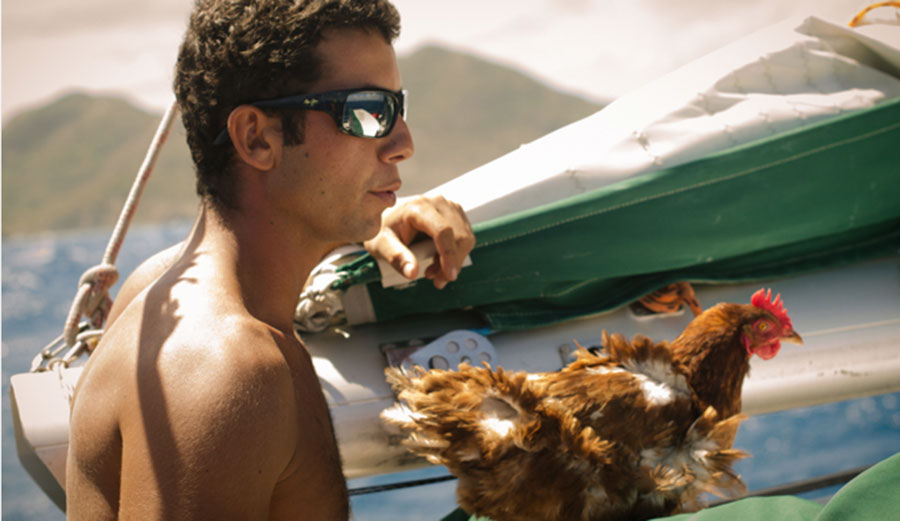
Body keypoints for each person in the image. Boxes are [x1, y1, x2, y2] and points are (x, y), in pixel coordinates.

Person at [65, 1, 474, 519]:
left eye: (398, 106)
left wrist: (359, 225)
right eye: (368, 111)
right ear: (257, 138)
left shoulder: (158, 289)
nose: (403, 144)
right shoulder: (227, 369)